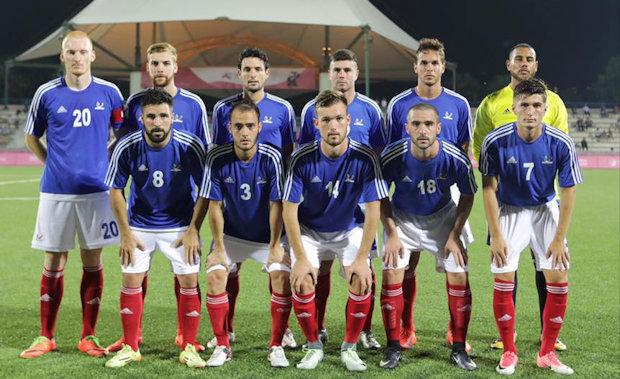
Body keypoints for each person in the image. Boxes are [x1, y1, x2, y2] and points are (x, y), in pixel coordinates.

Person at [20, 30, 124, 359]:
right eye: (71, 52)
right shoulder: (46, 93)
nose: (77, 57)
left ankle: (88, 336)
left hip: (96, 192)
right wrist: (54, 163)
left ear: (93, 56)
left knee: (92, 260)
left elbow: (123, 137)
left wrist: (103, 162)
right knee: (54, 260)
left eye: (83, 52)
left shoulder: (110, 93)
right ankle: (45, 336)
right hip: (56, 191)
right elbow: (31, 137)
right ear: (62, 56)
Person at [108, 41, 210, 353]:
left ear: (175, 65)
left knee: (187, 276)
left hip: (180, 209)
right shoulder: (135, 102)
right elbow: (126, 149)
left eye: (165, 63)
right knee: (137, 271)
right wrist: (125, 229)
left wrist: (194, 225)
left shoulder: (193, 105)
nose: (160, 69)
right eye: (154, 64)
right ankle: (132, 336)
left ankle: (185, 335)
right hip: (142, 210)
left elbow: (203, 160)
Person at [480, 78, 582, 375]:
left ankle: (547, 352)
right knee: (503, 276)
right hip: (509, 210)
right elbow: (488, 188)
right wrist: (496, 235)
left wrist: (559, 238)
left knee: (559, 276)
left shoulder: (560, 142)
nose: (530, 111)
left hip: (545, 209)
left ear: (545, 108)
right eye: (524, 105)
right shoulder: (494, 141)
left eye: (537, 105)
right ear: (513, 108)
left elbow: (569, 191)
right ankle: (509, 351)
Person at [283, 90, 389, 371]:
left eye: (339, 119)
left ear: (348, 120)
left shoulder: (365, 157)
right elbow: (289, 210)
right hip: (311, 230)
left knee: (361, 278)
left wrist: (363, 258)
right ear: (315, 124)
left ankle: (350, 347)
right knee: (303, 279)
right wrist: (300, 257)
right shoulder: (301, 157)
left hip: (348, 228)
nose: (333, 126)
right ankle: (313, 345)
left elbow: (373, 210)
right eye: (326, 120)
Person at [473, 43, 569, 351]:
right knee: (506, 263)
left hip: (543, 199)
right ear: (508, 64)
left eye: (529, 59)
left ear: (536, 65)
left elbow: (559, 144)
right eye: (519, 59)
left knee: (546, 265)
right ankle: (508, 335)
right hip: (506, 199)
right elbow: (479, 148)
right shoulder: (492, 102)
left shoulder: (554, 102)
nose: (524, 64)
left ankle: (547, 332)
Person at [182, 99, 291, 367]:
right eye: (239, 126)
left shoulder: (272, 157)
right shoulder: (217, 158)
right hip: (231, 234)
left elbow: (276, 205)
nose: (244, 132)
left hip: (267, 235)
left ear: (259, 127)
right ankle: (222, 344)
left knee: (281, 275)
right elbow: (214, 205)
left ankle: (277, 345)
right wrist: (219, 248)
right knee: (216, 273)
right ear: (229, 128)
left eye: (250, 126)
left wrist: (276, 245)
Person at [386, 38, 473, 350]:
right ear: (416, 67)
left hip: (445, 195)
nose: (429, 68)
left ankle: (455, 330)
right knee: (405, 265)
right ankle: (407, 327)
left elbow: (463, 149)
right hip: (408, 194)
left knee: (457, 263)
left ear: (442, 67)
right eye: (424, 62)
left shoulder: (459, 104)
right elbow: (391, 152)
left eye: (435, 63)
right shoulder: (398, 105)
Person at [209, 47, 297, 349]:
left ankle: (283, 331)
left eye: (257, 69)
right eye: (247, 69)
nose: (252, 74)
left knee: (279, 268)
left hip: (272, 201)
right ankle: (227, 328)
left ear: (267, 73)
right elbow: (221, 156)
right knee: (230, 268)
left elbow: (287, 156)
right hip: (236, 203)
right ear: (240, 74)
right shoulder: (223, 109)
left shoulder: (283, 109)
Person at [298, 48, 386, 350]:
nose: (342, 75)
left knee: (365, 268)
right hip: (322, 199)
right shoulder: (312, 108)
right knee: (319, 268)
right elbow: (307, 152)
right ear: (330, 73)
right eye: (337, 70)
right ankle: (319, 326)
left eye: (348, 70)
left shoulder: (372, 110)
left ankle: (365, 330)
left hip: (359, 200)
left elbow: (377, 154)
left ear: (356, 74)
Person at [379, 103, 477, 370]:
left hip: (442, 216)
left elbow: (468, 194)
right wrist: (391, 233)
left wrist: (455, 234)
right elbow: (380, 195)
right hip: (403, 218)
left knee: (458, 273)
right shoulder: (392, 156)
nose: (423, 130)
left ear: (439, 128)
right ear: (406, 127)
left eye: (429, 124)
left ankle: (459, 347)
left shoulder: (455, 157)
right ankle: (393, 347)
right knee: (392, 274)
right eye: (416, 124)